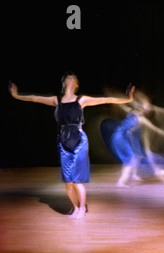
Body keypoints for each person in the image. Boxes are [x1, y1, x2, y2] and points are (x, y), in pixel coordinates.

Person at [9, 72, 135, 218]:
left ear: (76, 85)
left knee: (76, 179)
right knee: (68, 182)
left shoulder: (82, 100)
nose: (70, 79)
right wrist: (16, 95)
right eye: (67, 78)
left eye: (73, 78)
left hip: (79, 141)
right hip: (63, 141)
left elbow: (106, 100)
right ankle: (75, 207)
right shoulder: (56, 100)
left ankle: (82, 208)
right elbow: (34, 98)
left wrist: (128, 98)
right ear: (63, 83)